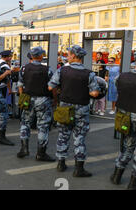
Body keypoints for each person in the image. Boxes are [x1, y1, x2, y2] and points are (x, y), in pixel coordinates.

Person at [48, 45, 100, 177]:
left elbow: (50, 87)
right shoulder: (89, 74)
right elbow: (94, 93)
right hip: (82, 109)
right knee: (80, 138)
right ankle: (79, 169)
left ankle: (61, 163)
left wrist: (61, 88)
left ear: (74, 56)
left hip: (65, 109)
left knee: (63, 135)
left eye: (69, 54)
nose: (67, 57)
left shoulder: (62, 71)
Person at [17, 46, 55, 162]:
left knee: (25, 123)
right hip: (43, 100)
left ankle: (24, 149)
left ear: (32, 56)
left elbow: (20, 85)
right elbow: (52, 87)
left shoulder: (23, 69)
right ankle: (41, 153)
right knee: (43, 126)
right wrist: (55, 99)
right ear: (41, 56)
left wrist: (23, 96)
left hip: (28, 99)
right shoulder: (47, 70)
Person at [110, 53, 136, 190]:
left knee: (127, 146)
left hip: (125, 116)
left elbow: (118, 87)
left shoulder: (121, 76)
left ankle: (117, 175)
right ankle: (134, 182)